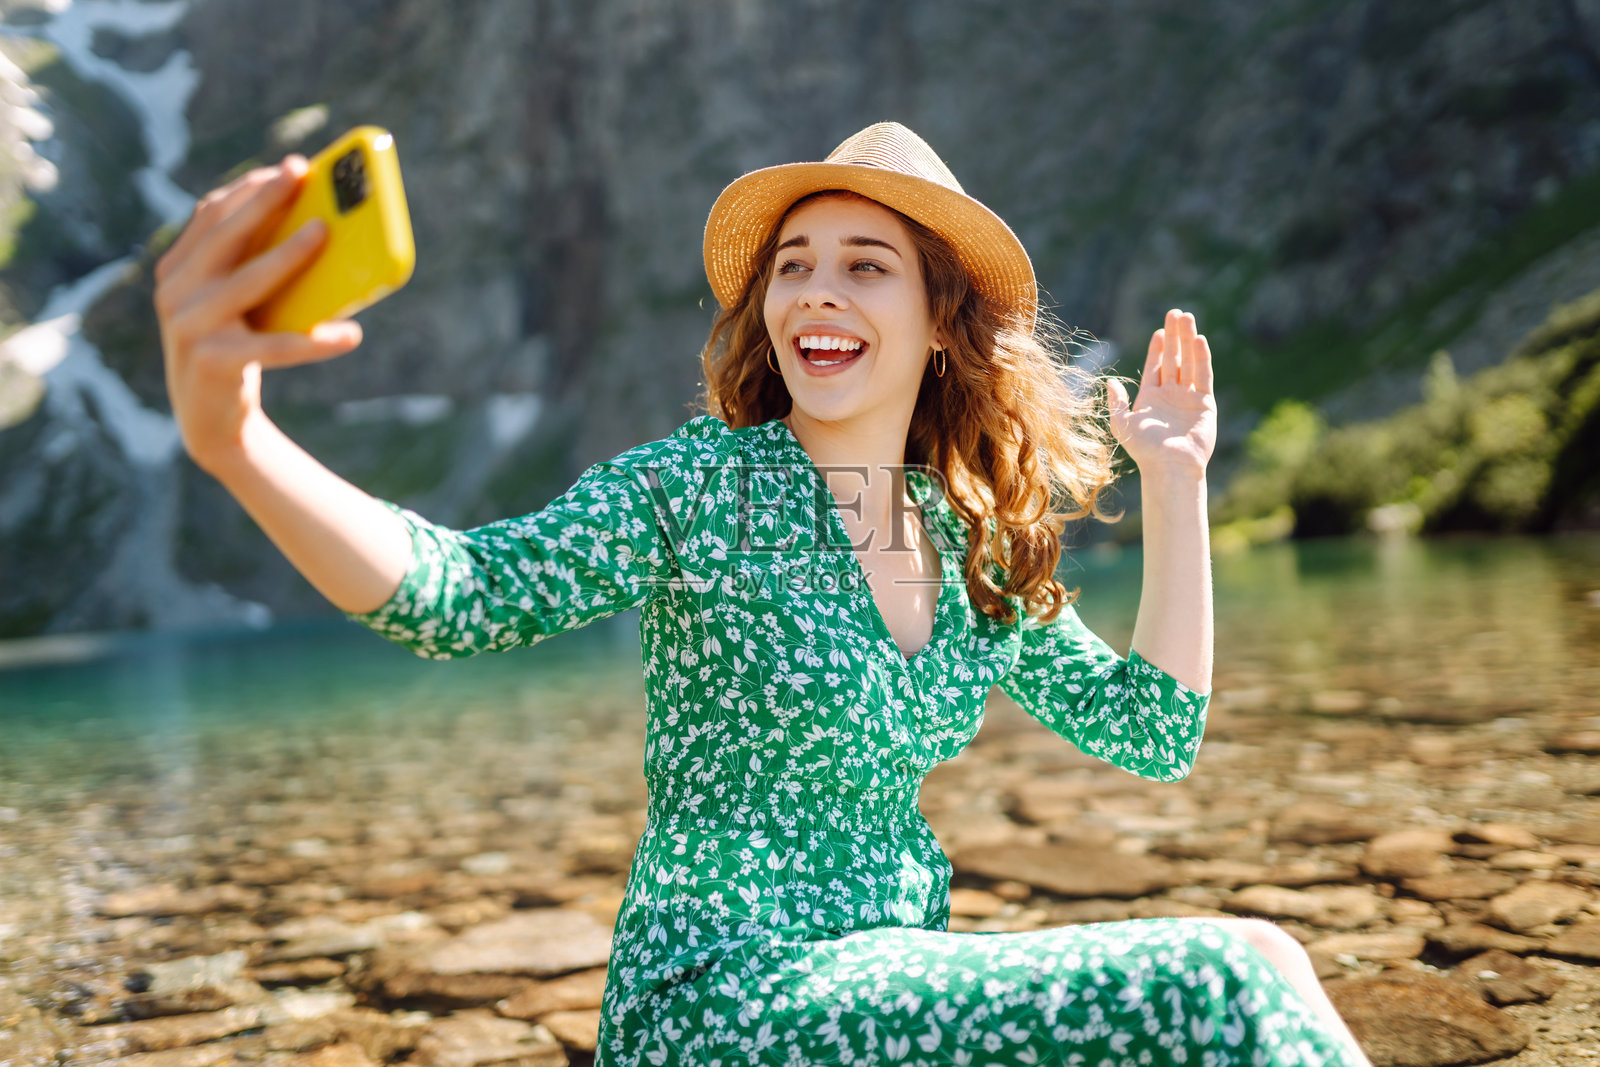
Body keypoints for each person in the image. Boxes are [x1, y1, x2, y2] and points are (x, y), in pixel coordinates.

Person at [154, 122, 1371, 1066]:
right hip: (721, 1000)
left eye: (864, 265)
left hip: (892, 983)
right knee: (1232, 970)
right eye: (792, 266)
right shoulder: (696, 488)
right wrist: (237, 444)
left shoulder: (966, 538)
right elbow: (463, 593)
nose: (814, 291)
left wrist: (1174, 478)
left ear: (942, 319)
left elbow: (1149, 731)